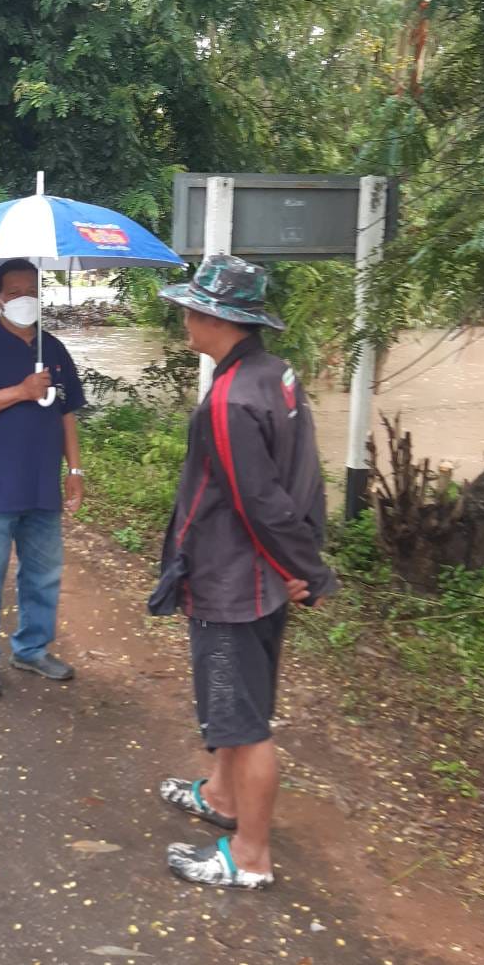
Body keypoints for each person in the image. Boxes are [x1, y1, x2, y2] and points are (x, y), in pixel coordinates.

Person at [149, 255, 337, 890]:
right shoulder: (276, 376)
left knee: (244, 721)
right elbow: (305, 479)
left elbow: (258, 501)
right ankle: (223, 798)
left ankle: (250, 856)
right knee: (238, 707)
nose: (183, 317)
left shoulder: (229, 400)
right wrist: (302, 558)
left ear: (214, 318)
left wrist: (304, 568)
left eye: (190, 309)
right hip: (261, 579)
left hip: (233, 582)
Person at [0, 259, 87, 695]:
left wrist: (75, 470)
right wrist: (20, 391)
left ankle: (31, 649)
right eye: (15, 292)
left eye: (32, 290)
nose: (25, 298)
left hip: (41, 484)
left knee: (43, 573)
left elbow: (66, 412)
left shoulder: (55, 351)